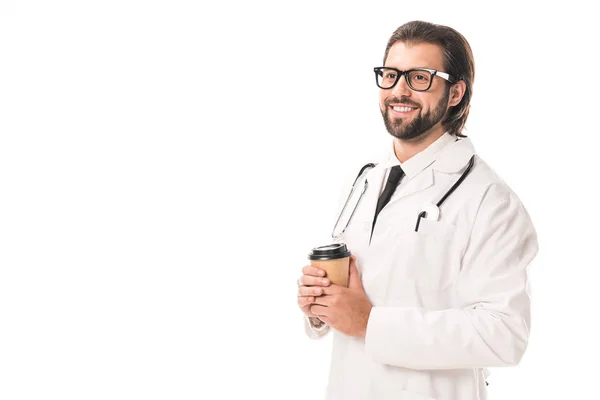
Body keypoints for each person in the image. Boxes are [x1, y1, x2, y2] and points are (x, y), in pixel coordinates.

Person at [296, 20, 539, 400]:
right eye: (390, 75)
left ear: (456, 92)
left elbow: (505, 334)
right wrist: (320, 306)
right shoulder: (364, 179)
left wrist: (370, 324)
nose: (399, 90)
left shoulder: (491, 201)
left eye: (420, 77)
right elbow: (366, 289)